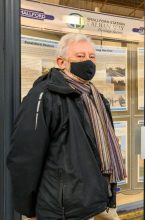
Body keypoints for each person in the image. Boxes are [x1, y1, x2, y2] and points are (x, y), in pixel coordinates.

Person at [7, 33, 126, 220]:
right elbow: (25, 156)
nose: (88, 61)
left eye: (91, 57)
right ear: (61, 62)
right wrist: (28, 208)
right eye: (80, 56)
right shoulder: (44, 96)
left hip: (92, 200)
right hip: (61, 209)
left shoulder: (96, 97)